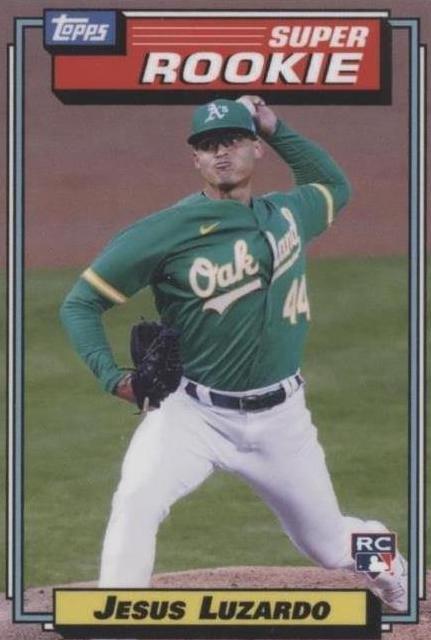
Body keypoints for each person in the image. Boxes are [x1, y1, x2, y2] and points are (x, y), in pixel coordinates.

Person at [60, 97, 407, 611]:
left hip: (282, 420)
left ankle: (392, 565)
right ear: (195, 159)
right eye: (207, 146)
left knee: (331, 544)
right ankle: (117, 619)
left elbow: (335, 186)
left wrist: (276, 126)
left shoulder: (289, 214)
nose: (220, 153)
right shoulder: (165, 230)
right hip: (192, 413)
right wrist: (112, 377)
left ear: (255, 148)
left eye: (232, 141)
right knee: (135, 500)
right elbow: (80, 303)